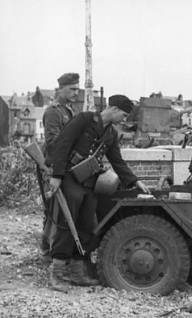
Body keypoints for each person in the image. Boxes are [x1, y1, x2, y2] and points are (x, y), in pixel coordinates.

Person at [47, 94, 150, 292]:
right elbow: (62, 144)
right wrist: (57, 175)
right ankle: (58, 273)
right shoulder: (84, 120)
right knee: (67, 223)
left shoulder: (110, 134)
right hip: (69, 177)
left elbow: (117, 161)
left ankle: (78, 272)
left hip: (89, 182)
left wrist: (135, 181)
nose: (124, 119)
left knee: (87, 225)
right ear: (113, 109)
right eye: (124, 114)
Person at [39, 73, 80, 263]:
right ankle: (48, 251)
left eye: (77, 89)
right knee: (54, 210)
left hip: (65, 166)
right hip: (54, 166)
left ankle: (48, 249)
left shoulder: (69, 110)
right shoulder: (54, 111)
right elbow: (52, 143)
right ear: (60, 90)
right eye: (72, 89)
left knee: (57, 210)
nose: (76, 93)